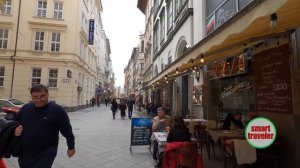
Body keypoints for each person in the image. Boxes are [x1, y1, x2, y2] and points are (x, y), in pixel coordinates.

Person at [14, 84, 75, 168]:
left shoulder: (57, 110)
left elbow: (67, 130)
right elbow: (16, 123)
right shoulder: (26, 108)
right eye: (35, 97)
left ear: (48, 95)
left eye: (42, 96)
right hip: (25, 151)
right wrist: (16, 130)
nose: (39, 100)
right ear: (31, 97)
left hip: (46, 152)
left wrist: (71, 146)